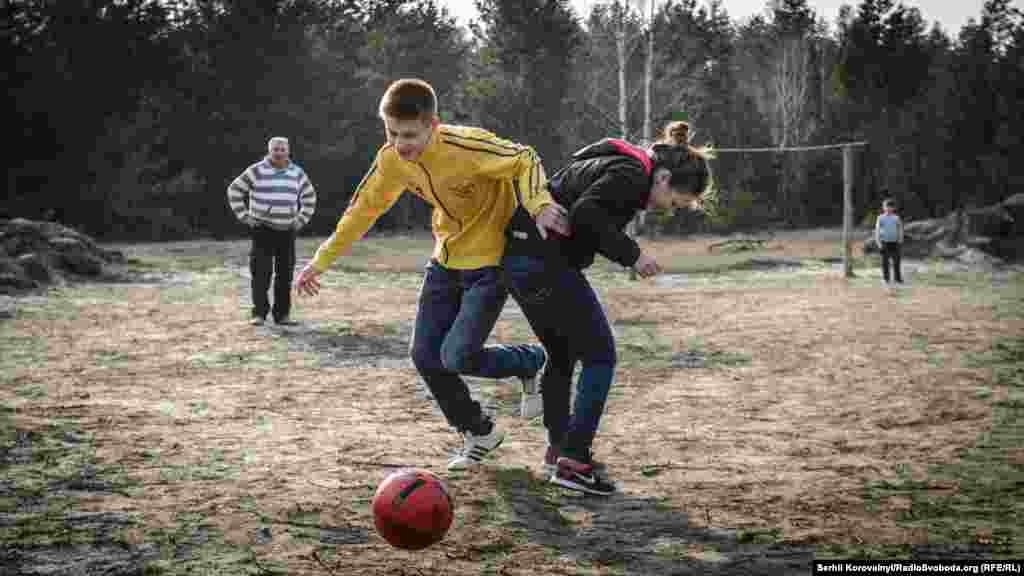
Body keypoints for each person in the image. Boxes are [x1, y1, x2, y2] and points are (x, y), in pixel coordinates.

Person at [293, 78, 570, 470]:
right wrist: (320, 261)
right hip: (444, 264)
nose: (400, 143)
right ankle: (478, 431)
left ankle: (528, 360)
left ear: (433, 125)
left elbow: (524, 157)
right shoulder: (391, 159)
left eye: (409, 134)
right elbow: (362, 210)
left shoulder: (466, 146)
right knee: (424, 355)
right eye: (391, 132)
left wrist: (539, 203)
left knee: (456, 355)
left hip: (489, 266)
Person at [501, 120, 714, 495]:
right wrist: (633, 255)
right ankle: (574, 461)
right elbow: (586, 216)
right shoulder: (632, 176)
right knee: (601, 355)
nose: (669, 208)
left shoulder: (620, 163)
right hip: (545, 263)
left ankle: (558, 453)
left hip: (519, 260)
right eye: (675, 201)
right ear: (663, 178)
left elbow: (580, 210)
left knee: (562, 355)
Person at [228, 137, 316, 326]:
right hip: (262, 229)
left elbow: (309, 197)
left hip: (287, 231)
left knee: (285, 274)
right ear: (269, 151)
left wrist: (300, 220)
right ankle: (259, 314)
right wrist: (245, 216)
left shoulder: (297, 172)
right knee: (261, 273)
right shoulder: (256, 170)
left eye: (282, 149)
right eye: (275, 149)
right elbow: (234, 190)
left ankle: (282, 316)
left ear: (288, 151)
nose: (279, 152)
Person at [875, 197, 904, 285]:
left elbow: (900, 229)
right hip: (884, 242)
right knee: (885, 262)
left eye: (890, 207)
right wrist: (878, 242)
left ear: (893, 208)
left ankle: (897, 279)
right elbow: (877, 230)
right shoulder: (880, 218)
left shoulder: (896, 218)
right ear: (883, 207)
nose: (888, 208)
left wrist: (900, 239)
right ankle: (886, 278)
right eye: (886, 207)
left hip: (895, 242)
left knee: (896, 261)